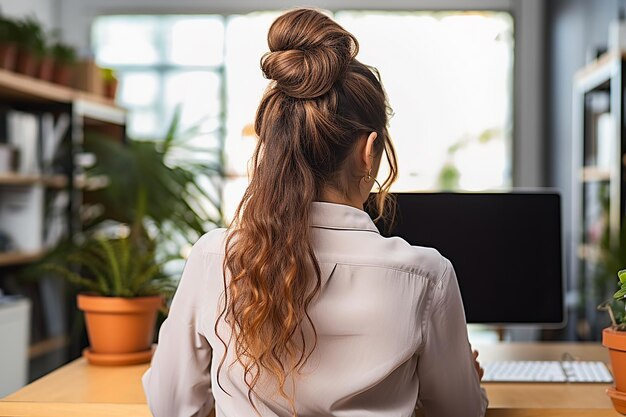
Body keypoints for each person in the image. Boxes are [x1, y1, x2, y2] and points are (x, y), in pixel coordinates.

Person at [143, 8, 488, 417]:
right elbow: (460, 413)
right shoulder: (427, 276)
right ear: (369, 151)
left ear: (275, 145)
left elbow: (170, 406)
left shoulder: (215, 258)